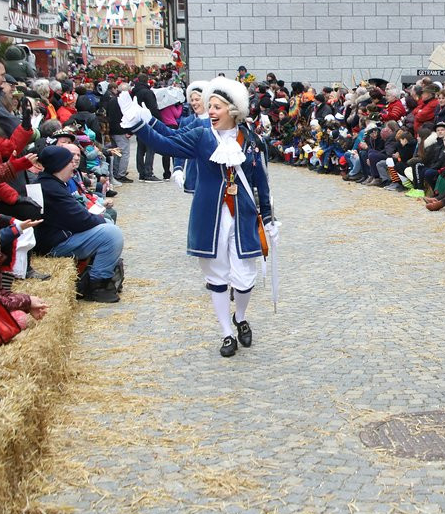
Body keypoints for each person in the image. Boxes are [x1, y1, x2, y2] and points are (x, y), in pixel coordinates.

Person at [121, 77, 277, 358]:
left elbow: (260, 181)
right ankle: (226, 333)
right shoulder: (202, 136)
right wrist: (138, 124)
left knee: (244, 278)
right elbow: (166, 145)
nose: (211, 112)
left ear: (233, 110)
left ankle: (239, 317)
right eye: (210, 106)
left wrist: (268, 216)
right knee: (217, 276)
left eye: (217, 107)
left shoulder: (252, 140)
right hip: (210, 215)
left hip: (242, 216)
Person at [34, 146, 124, 304]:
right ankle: (98, 284)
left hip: (59, 236)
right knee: (111, 234)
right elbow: (81, 220)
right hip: (54, 244)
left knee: (108, 226)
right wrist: (101, 220)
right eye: (69, 161)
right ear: (59, 165)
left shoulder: (52, 183)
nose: (74, 164)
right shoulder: (51, 188)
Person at [131, 74, 163, 182]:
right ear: (147, 81)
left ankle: (141, 173)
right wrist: (158, 121)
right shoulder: (148, 92)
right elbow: (153, 108)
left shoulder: (134, 92)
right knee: (150, 148)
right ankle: (148, 172)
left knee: (140, 148)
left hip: (137, 122)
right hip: (148, 122)